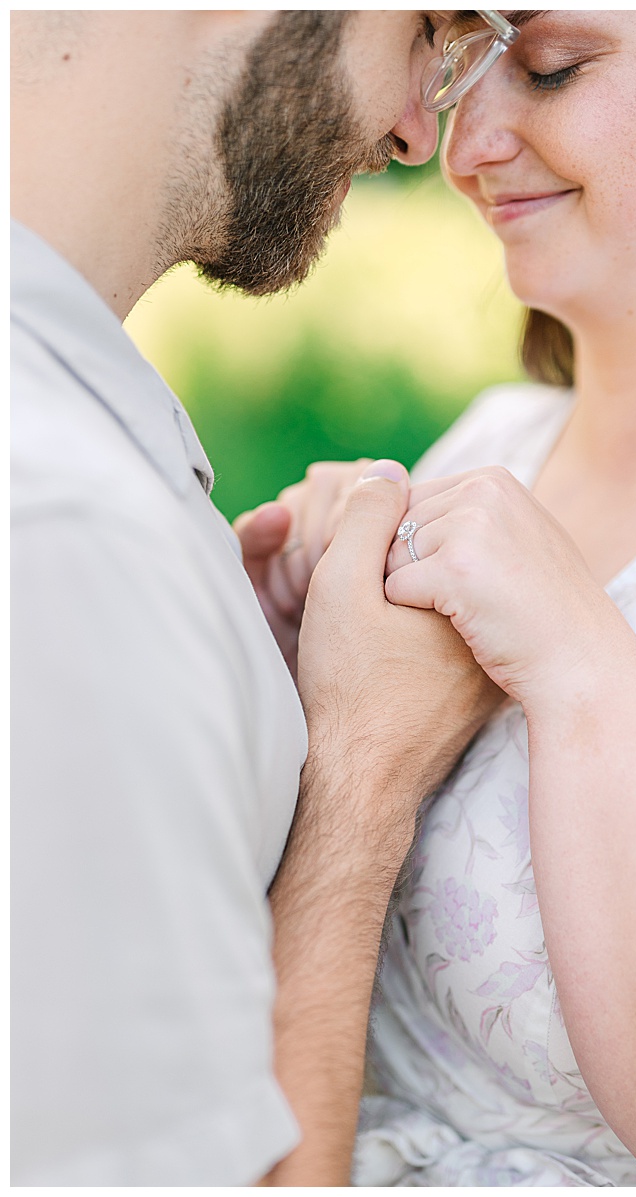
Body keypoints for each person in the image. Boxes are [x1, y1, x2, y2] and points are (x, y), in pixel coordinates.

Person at [232, 11, 636, 1185]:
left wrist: (580, 665)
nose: (464, 145)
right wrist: (273, 658)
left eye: (547, 68)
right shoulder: (491, 440)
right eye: (459, 75)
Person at [10, 10, 508, 1187]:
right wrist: (364, 770)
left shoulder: (86, 472)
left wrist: (226, 673)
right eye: (428, 29)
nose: (411, 131)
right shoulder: (62, 525)